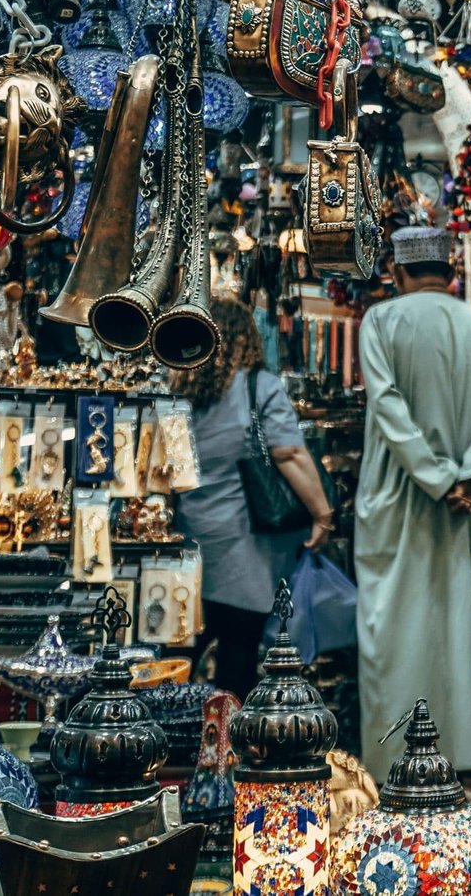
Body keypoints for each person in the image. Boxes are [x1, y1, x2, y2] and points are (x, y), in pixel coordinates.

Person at [355, 225, 471, 778]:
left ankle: (394, 765)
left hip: (403, 501)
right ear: (451, 272)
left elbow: (388, 407)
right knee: (460, 631)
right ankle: (462, 759)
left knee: (395, 635)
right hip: (467, 506)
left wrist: (436, 477)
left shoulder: (381, 321)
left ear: (398, 273)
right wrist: (468, 474)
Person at [171, 297, 334, 699]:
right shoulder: (258, 385)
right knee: (238, 658)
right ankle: (224, 745)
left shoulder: (181, 390)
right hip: (245, 548)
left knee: (181, 655)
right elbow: (289, 452)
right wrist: (322, 514)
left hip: (190, 540)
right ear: (247, 338)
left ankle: (178, 738)